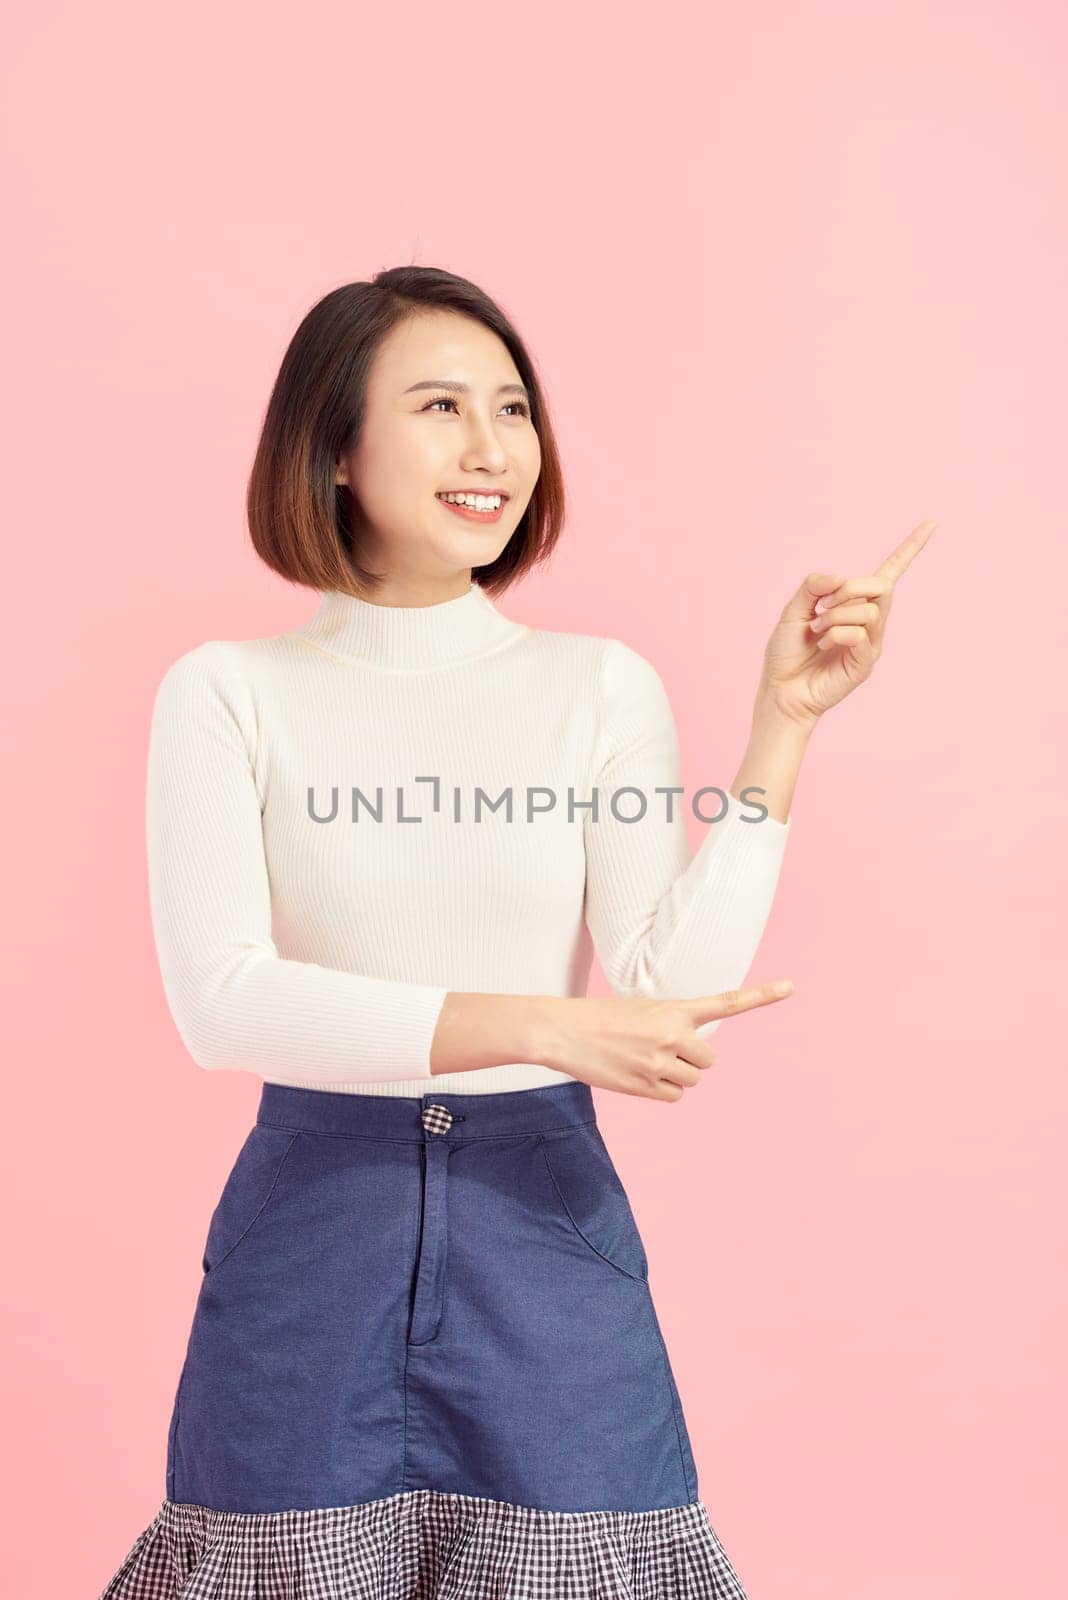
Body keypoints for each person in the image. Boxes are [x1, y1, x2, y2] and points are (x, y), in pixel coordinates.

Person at [98, 265, 932, 1599]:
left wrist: (787, 724)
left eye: (514, 408)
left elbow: (666, 987)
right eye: (441, 406)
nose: (494, 448)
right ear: (334, 450)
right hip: (312, 1233)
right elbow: (223, 1003)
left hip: (546, 1227)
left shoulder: (595, 687)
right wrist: (541, 1024)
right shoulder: (226, 695)